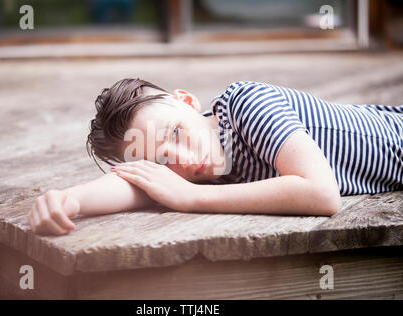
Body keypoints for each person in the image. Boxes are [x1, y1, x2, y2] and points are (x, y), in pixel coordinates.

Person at [27, 78, 402, 236]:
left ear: (188, 102)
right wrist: (68, 199)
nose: (183, 161)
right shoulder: (199, 172)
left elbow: (322, 194)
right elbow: (133, 182)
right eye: (161, 161)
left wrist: (190, 199)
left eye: (176, 133)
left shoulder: (245, 104)